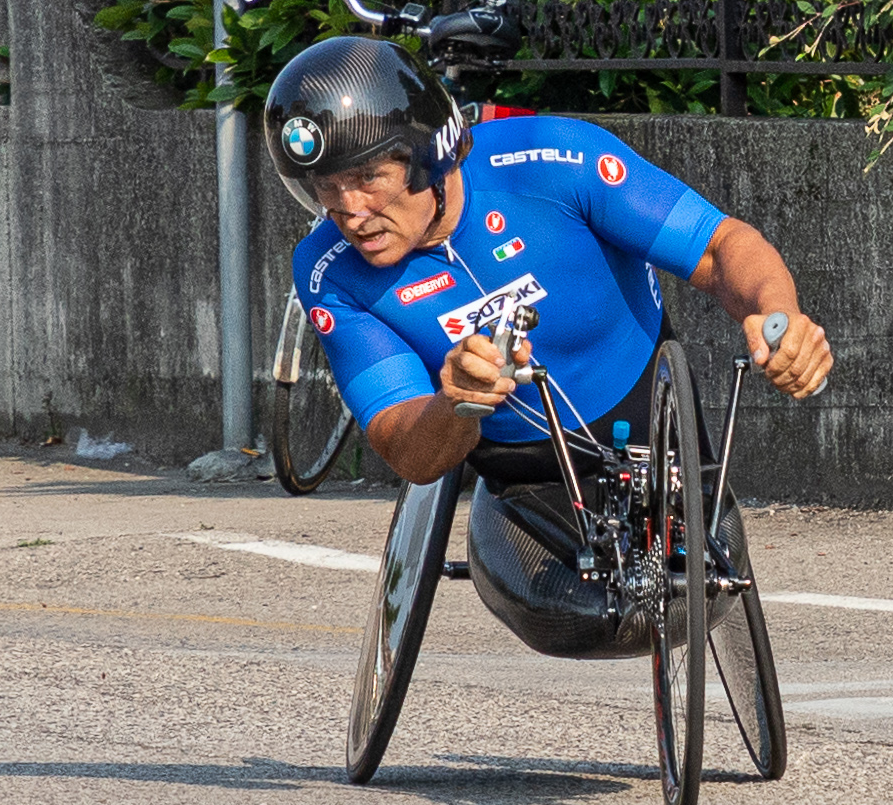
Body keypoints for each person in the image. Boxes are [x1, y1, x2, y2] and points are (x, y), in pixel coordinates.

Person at [268, 35, 832, 490]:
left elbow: (719, 246)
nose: (350, 211)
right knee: (570, 621)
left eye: (368, 178)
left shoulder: (556, 159)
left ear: (427, 157)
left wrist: (779, 320)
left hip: (640, 405)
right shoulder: (329, 270)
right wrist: (454, 403)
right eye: (327, 187)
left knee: (712, 571)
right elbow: (406, 448)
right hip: (513, 458)